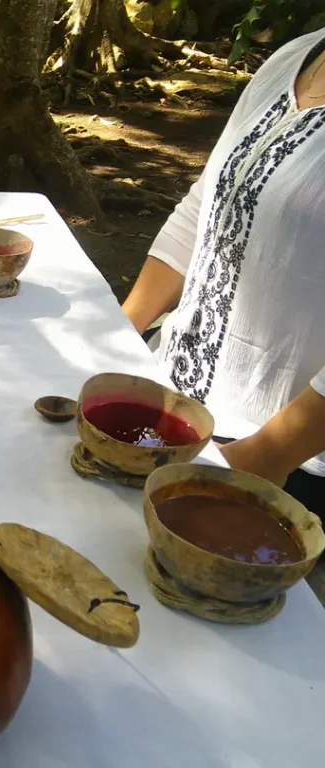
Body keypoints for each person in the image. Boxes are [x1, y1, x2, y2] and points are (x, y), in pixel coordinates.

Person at [121, 27, 325, 515]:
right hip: (171, 395)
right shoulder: (296, 55)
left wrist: (266, 456)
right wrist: (122, 330)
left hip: (281, 459)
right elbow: (208, 201)